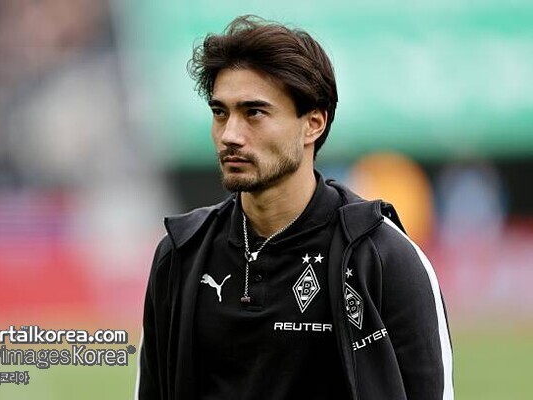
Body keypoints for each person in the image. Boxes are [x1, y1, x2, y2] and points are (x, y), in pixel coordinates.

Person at [135, 15, 453, 400]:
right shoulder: (180, 255)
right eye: (220, 113)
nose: (230, 135)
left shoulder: (383, 257)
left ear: (313, 124)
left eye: (254, 112)